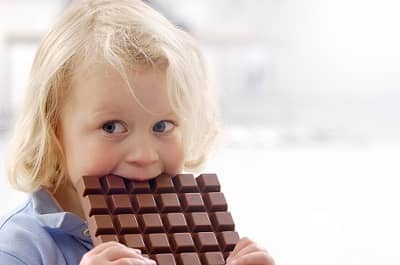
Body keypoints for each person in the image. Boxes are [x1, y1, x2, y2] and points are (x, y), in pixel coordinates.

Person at [0, 0, 275, 264]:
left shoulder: (189, 235)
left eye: (162, 126)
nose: (144, 155)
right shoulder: (18, 248)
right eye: (112, 127)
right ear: (55, 132)